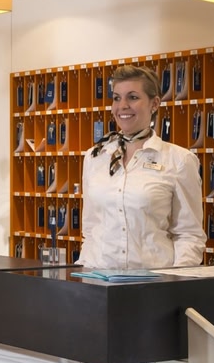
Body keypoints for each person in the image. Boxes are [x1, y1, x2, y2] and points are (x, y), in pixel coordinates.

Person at [78, 65, 205, 269]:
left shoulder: (180, 160)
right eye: (117, 98)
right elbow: (91, 228)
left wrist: (177, 279)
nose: (122, 106)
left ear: (154, 104)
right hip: (97, 278)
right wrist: (83, 270)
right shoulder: (95, 157)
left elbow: (189, 235)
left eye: (133, 97)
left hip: (153, 280)